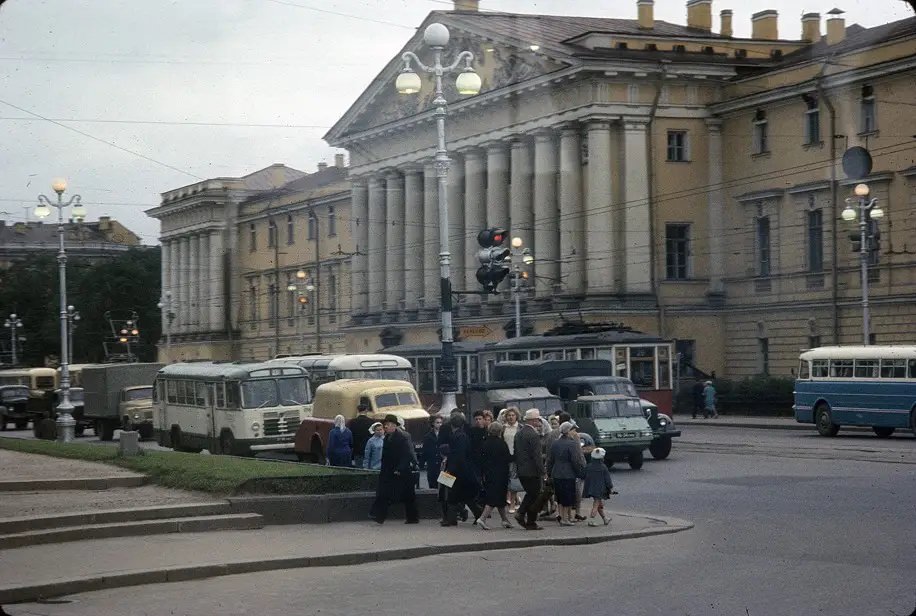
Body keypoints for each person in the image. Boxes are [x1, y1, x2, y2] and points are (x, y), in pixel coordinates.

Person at [369, 414, 419, 525]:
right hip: (389, 471)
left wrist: (400, 468)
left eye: (388, 425)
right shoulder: (387, 437)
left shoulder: (401, 438)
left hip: (401, 472)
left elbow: (406, 455)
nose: (385, 427)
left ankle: (412, 517)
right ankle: (378, 516)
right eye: (385, 425)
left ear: (394, 426)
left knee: (408, 496)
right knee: (384, 493)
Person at [442, 414, 482, 526]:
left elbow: (457, 456)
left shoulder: (458, 436)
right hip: (463, 471)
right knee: (464, 496)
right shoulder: (462, 436)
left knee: (451, 495)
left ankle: (451, 519)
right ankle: (477, 514)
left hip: (456, 471)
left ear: (451, 425)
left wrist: (450, 470)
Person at [475, 421, 514, 530]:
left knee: (500, 498)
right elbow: (508, 458)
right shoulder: (501, 443)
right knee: (494, 497)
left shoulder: (485, 443)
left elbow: (480, 459)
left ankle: (505, 520)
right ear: (500, 431)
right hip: (501, 474)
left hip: (488, 473)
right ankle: (482, 518)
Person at [547, 421, 586, 526]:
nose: (574, 432)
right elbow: (575, 460)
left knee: (559, 496)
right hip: (568, 473)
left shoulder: (555, 443)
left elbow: (550, 459)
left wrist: (549, 472)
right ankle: (565, 519)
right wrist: (580, 472)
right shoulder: (572, 444)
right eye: (573, 430)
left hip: (556, 472)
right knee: (568, 497)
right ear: (568, 431)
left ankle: (561, 516)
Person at [514, 408, 545, 530]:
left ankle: (527, 519)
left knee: (531, 493)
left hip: (521, 469)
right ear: (533, 421)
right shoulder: (533, 435)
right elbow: (537, 456)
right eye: (538, 420)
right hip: (532, 471)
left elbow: (516, 452)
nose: (539, 422)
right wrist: (543, 472)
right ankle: (525, 516)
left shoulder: (519, 433)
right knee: (535, 495)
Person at [582, 447, 615, 526]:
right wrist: (610, 488)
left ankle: (605, 519)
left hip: (590, 488)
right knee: (596, 504)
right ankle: (591, 520)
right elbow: (608, 480)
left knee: (599, 504)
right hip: (599, 489)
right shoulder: (603, 467)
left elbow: (583, 475)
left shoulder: (589, 466)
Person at [501, 407, 522, 513]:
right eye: (509, 415)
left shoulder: (520, 428)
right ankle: (516, 500)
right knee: (506, 480)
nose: (510, 417)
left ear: (516, 416)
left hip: (516, 457)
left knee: (513, 480)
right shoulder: (503, 428)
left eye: (513, 415)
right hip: (505, 457)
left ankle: (512, 504)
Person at [573, 429, 596, 521]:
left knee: (578, 492)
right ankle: (575, 513)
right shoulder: (572, 447)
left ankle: (576, 513)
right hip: (575, 473)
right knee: (577, 493)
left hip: (579, 473)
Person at [421, 415, 443, 490]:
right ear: (433, 423)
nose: (439, 424)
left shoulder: (445, 434)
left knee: (445, 488)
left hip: (443, 465)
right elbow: (425, 451)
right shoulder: (427, 436)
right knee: (433, 487)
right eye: (437, 422)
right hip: (432, 466)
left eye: (440, 422)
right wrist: (421, 464)